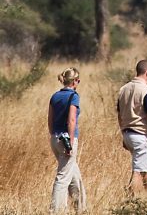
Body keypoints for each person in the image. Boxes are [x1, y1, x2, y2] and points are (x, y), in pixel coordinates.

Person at [117, 60, 147, 196]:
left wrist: (124, 134)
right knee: (138, 171)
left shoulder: (123, 89)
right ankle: (133, 200)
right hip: (140, 135)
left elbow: (120, 115)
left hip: (128, 133)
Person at [48, 67, 87, 214]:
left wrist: (54, 136)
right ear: (75, 81)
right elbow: (72, 120)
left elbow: (50, 120)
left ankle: (80, 207)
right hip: (67, 139)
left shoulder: (55, 96)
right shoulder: (73, 96)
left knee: (74, 174)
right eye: (78, 80)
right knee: (63, 178)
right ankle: (56, 210)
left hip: (55, 138)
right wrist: (70, 142)